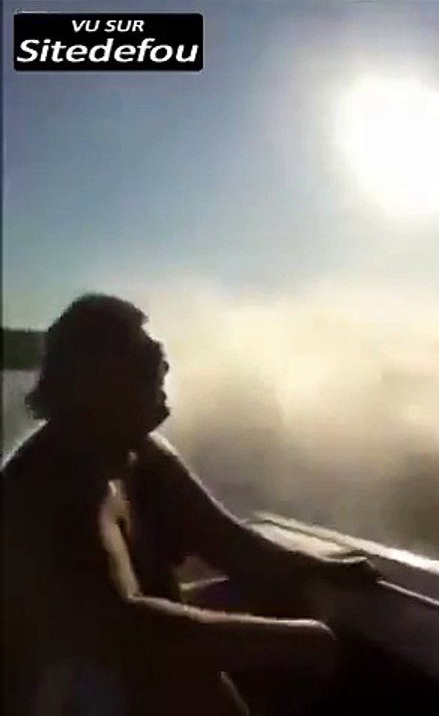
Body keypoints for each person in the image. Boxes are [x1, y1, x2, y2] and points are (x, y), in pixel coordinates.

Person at [1, 294, 379, 716]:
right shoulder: (60, 478)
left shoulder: (136, 451)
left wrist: (318, 570)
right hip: (51, 691)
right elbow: (125, 628)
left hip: (112, 654)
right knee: (174, 666)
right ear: (101, 381)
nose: (164, 367)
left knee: (279, 594)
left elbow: (231, 545)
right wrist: (299, 641)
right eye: (146, 356)